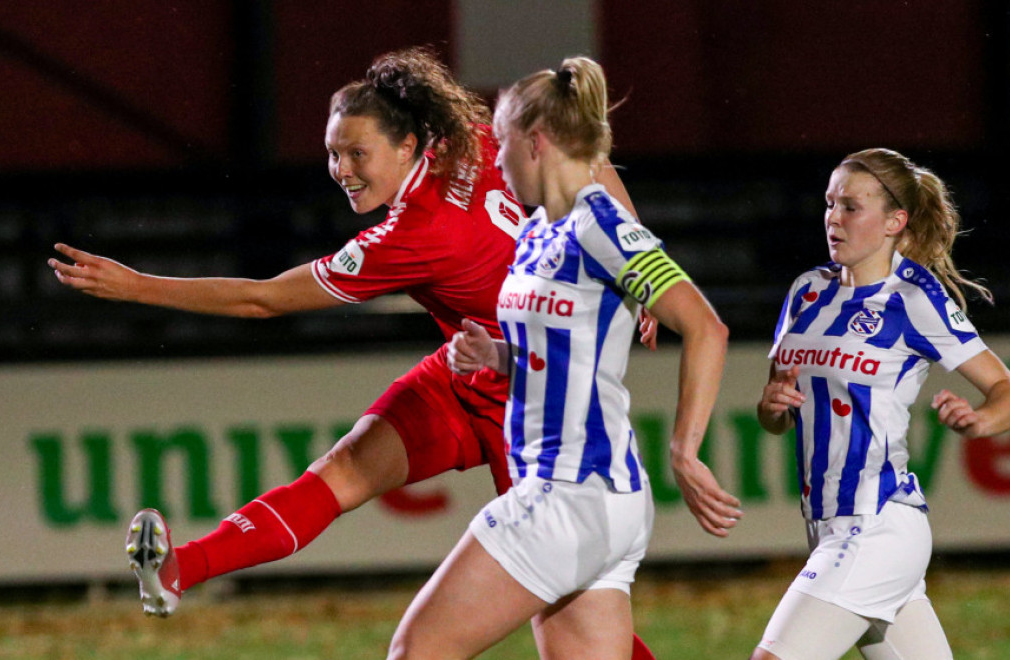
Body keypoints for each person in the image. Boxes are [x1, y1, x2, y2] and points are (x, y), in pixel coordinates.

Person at [49, 47, 662, 659]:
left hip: (530, 413)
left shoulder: (411, 236)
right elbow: (591, 163)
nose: (342, 169)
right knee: (340, 473)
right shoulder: (468, 138)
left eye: (356, 153)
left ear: (407, 146)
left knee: (572, 629)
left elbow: (262, 301)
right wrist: (641, 270)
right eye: (332, 154)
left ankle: (183, 572)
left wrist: (137, 287)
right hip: (467, 373)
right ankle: (180, 570)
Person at [386, 56, 736, 660]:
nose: (494, 160)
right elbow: (559, 352)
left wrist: (685, 448)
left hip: (570, 493)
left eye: (500, 142)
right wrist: (497, 354)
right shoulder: (537, 232)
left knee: (416, 652)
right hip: (588, 501)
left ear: (536, 141)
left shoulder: (600, 223)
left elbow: (706, 326)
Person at [750, 148, 1010, 660]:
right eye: (830, 203)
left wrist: (979, 421)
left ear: (894, 221)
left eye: (851, 207)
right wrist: (771, 408)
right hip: (824, 526)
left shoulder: (913, 298)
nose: (833, 218)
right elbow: (777, 414)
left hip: (876, 525)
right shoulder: (806, 291)